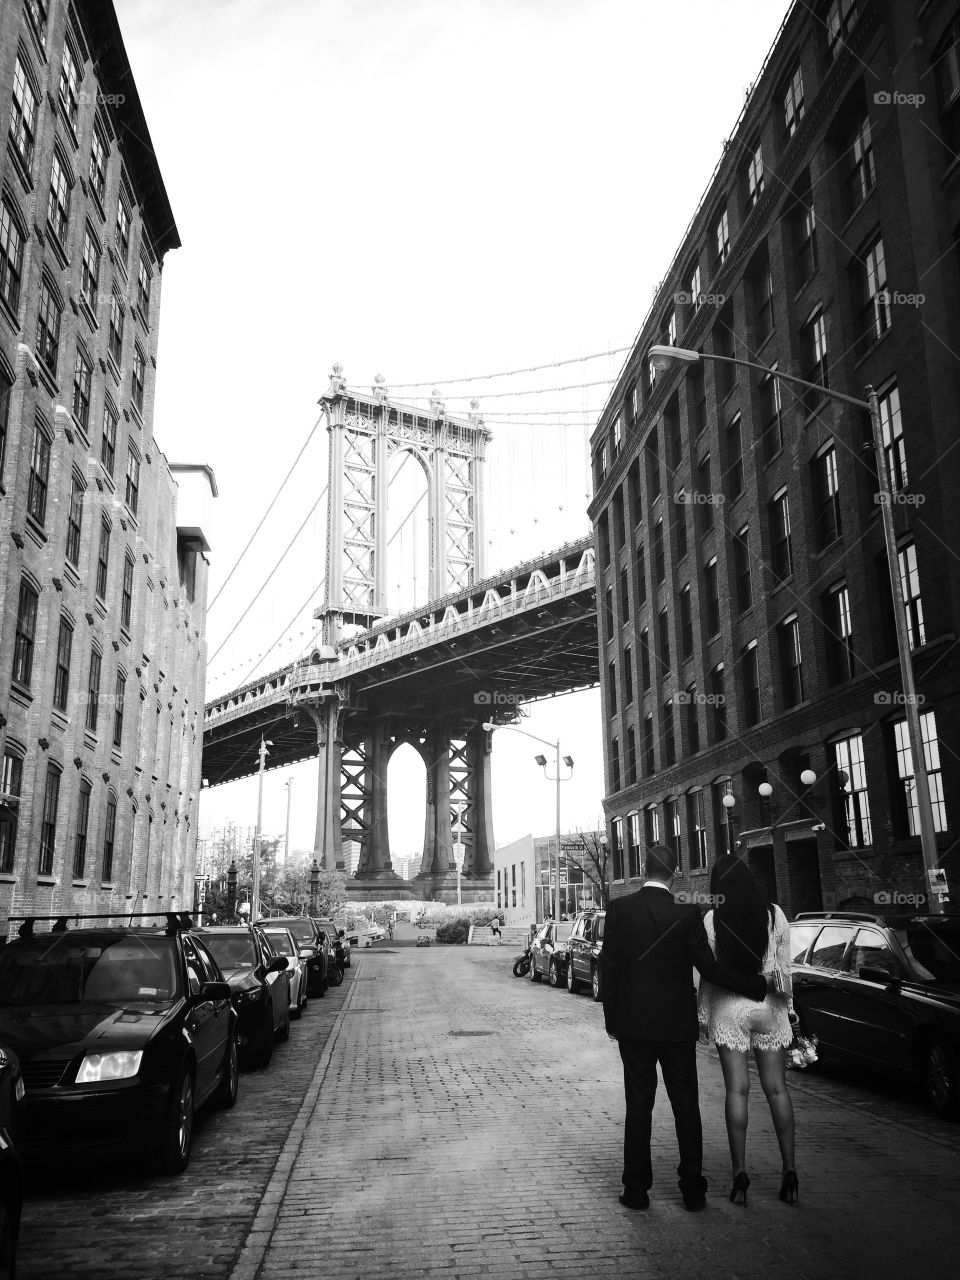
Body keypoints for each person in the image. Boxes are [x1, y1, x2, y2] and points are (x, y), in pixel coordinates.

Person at [600, 844, 770, 1212]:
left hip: (634, 1028)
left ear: (645, 870)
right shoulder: (687, 913)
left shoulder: (619, 910)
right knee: (686, 1106)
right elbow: (709, 969)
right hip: (677, 1028)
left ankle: (636, 1190)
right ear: (674, 873)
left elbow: (607, 969)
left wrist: (613, 1020)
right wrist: (755, 985)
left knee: (638, 1106)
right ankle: (693, 1189)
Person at [697, 855, 798, 1206]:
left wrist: (702, 1015)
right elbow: (785, 971)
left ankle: (740, 1173)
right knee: (777, 1090)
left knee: (737, 1091)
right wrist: (786, 1004)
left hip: (729, 1007)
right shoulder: (775, 915)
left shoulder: (712, 919)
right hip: (769, 1005)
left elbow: (708, 974)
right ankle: (789, 1171)